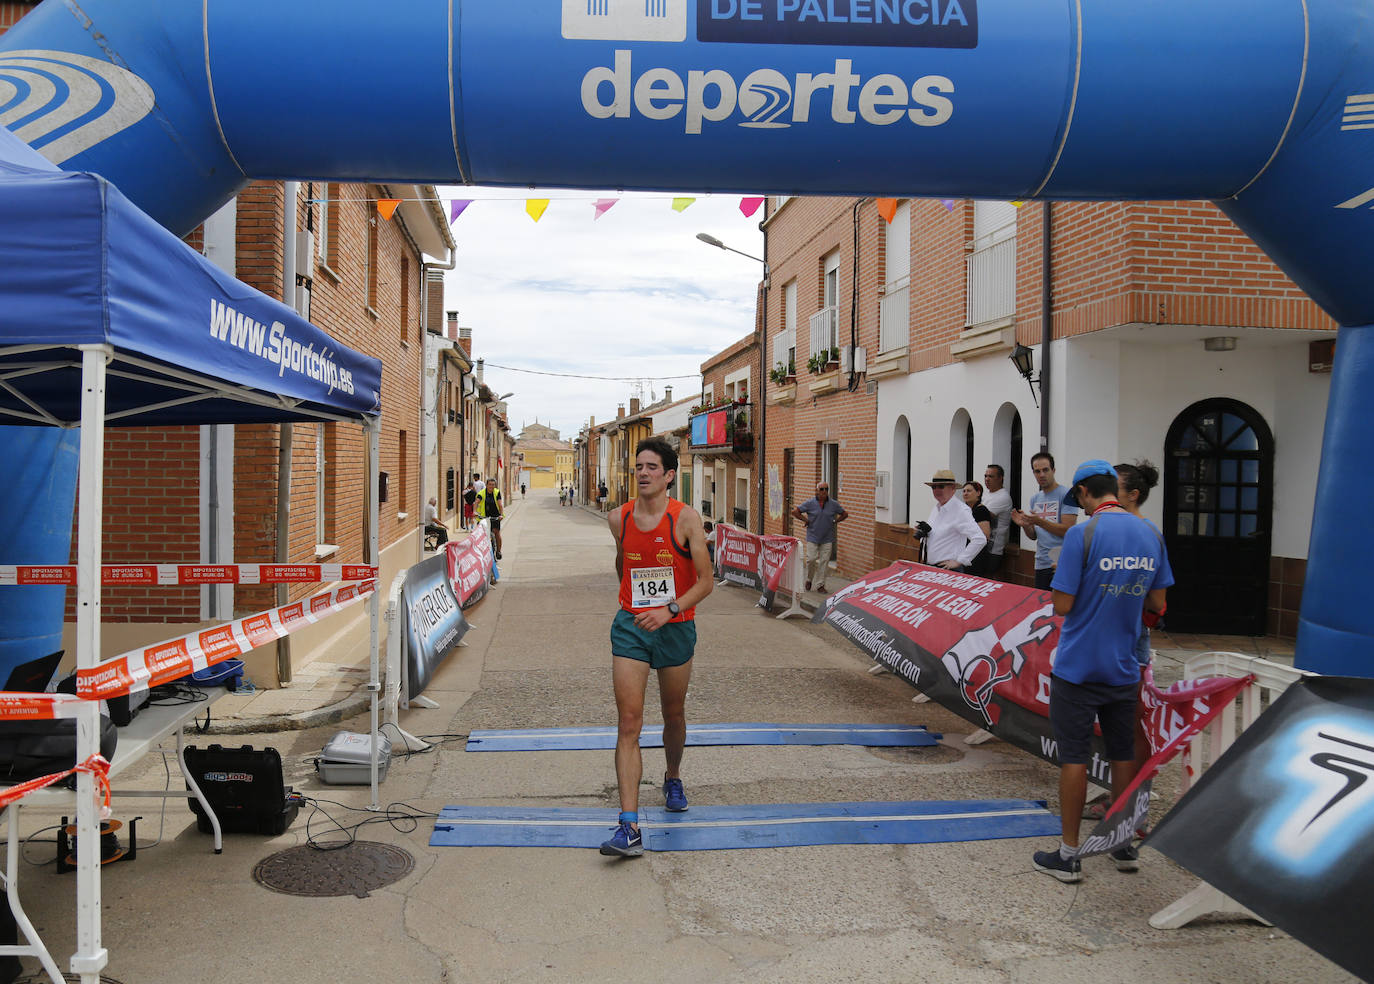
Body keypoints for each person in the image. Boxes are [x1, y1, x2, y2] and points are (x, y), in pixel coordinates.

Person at [1031, 460, 1173, 883]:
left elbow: (1062, 605)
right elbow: (1157, 603)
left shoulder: (1083, 533)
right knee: (1123, 752)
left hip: (1078, 666)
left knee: (1074, 757)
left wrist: (1066, 580)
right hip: (1124, 665)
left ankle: (1069, 855)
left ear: (1082, 494)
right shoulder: (1151, 533)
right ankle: (1122, 842)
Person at [600, 438, 714, 858]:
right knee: (629, 722)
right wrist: (636, 604)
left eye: (651, 467)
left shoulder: (686, 520)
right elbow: (622, 564)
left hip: (675, 627)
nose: (643, 473)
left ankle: (673, 775)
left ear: (669, 475)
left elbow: (705, 581)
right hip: (631, 627)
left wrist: (668, 610)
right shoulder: (618, 519)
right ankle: (628, 827)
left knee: (674, 713)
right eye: (638, 467)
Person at [1084, 459, 1165, 823]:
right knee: (1114, 725)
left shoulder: (1144, 533)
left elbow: (1157, 603)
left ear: (1132, 494)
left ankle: (1131, 805)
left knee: (1128, 724)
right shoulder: (1127, 531)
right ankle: (1121, 799)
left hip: (1125, 640)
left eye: (1112, 484)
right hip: (1115, 637)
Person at [1012, 452, 1079, 590]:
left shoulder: (1067, 495)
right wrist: (1025, 526)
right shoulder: (1035, 499)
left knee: (1059, 609)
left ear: (1053, 470)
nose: (1041, 475)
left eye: (1045, 470)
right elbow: (1034, 536)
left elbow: (1068, 530)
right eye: (1037, 471)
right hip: (1040, 563)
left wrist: (1039, 521)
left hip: (1061, 562)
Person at [914, 469, 985, 572]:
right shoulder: (936, 508)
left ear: (953, 488)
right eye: (934, 487)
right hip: (931, 568)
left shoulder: (961, 510)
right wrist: (925, 532)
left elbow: (979, 539)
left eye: (941, 486)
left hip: (948, 569)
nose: (937, 490)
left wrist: (960, 561)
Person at [792, 481, 848, 592]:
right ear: (817, 491)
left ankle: (820, 585)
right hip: (813, 536)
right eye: (821, 489)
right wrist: (806, 520)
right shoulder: (810, 503)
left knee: (824, 561)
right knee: (811, 559)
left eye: (826, 489)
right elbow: (795, 512)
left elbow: (845, 514)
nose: (824, 491)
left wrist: (836, 521)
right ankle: (809, 579)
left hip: (827, 537)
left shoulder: (833, 504)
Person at [982, 464, 1013, 579]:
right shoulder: (987, 494)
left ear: (1000, 478)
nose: (987, 479)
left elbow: (983, 516)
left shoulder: (1003, 497)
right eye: (985, 476)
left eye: (991, 476)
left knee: (987, 580)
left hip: (993, 548)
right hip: (983, 545)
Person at [961, 481, 995, 576]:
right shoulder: (965, 510)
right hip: (965, 553)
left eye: (969, 491)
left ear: (978, 493)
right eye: (964, 491)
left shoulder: (981, 510)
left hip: (977, 555)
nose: (965, 493)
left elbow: (985, 535)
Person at [476, 477, 504, 559]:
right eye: (490, 484)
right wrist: (474, 512)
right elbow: (476, 502)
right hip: (484, 517)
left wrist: (501, 515)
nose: (491, 486)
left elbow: (500, 505)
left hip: (495, 516)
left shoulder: (497, 492)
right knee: (481, 534)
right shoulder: (481, 493)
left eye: (493, 485)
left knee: (496, 533)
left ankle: (498, 551)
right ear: (486, 485)